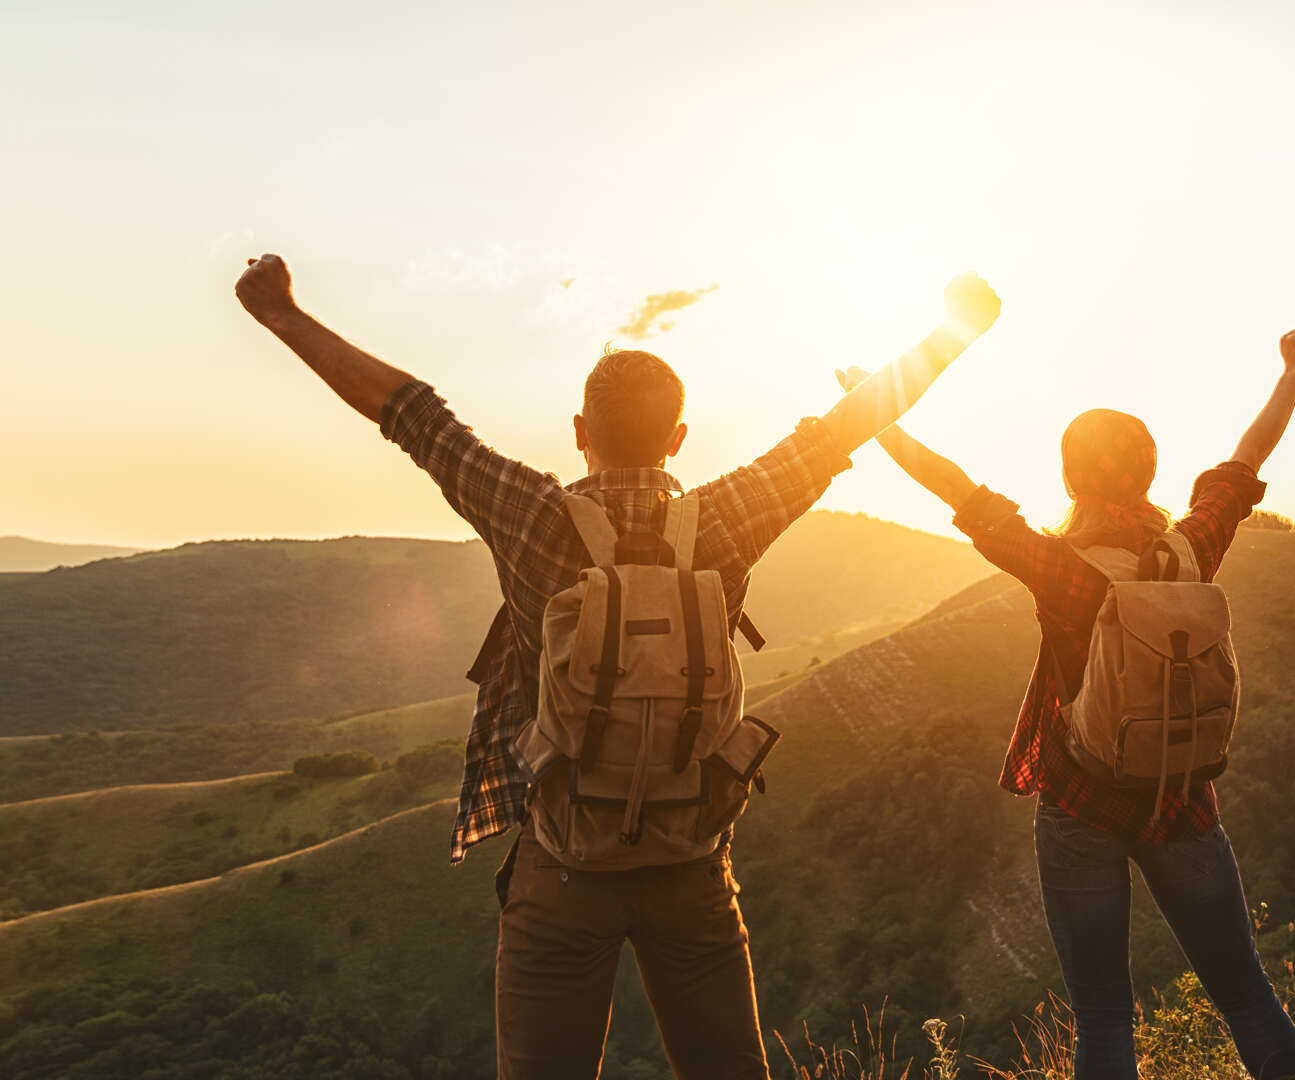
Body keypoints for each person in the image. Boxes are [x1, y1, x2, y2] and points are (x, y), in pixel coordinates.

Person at [234, 253, 1001, 1080]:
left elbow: (412, 414)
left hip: (563, 865)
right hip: (692, 865)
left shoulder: (530, 513)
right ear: (678, 439)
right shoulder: (729, 517)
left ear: (579, 432)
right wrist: (958, 330)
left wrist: (282, 313)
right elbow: (843, 426)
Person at [835, 329, 1295, 1080]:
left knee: (1102, 1015)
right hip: (1182, 799)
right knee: (1247, 995)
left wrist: (878, 416)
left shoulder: (1059, 566)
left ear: (1068, 480)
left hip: (1080, 802)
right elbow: (1245, 462)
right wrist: (1293, 373)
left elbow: (955, 488)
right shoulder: (1191, 548)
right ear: (1151, 473)